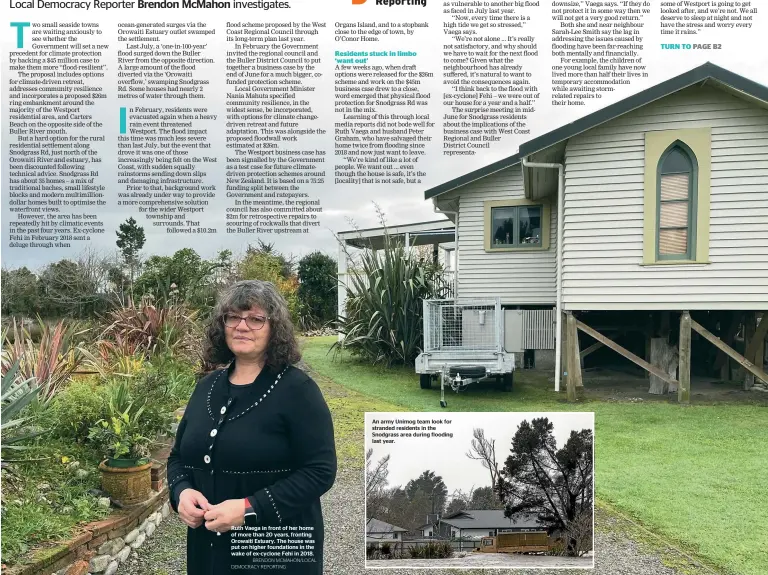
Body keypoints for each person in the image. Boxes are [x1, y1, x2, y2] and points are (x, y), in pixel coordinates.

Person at [166, 280, 337, 575]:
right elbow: (178, 457)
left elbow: (320, 471)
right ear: (223, 326)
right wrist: (181, 492)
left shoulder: (298, 390)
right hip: (208, 552)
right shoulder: (206, 388)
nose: (242, 326)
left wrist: (248, 507)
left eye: (256, 319)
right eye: (233, 317)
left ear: (274, 329)